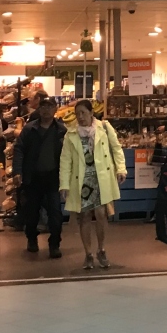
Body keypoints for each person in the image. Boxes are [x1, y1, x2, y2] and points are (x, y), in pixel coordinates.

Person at [60, 99, 126, 269]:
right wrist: (64, 184)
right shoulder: (70, 134)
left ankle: (101, 249)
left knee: (101, 214)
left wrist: (121, 169)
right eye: (77, 114)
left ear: (91, 113)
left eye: (83, 113)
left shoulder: (104, 128)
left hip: (100, 178)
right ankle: (88, 253)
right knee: (85, 216)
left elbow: (116, 148)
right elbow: (65, 161)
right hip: (81, 180)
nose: (80, 117)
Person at [14, 96, 68, 258]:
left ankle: (54, 244)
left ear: (55, 109)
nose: (46, 110)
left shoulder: (61, 130)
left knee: (55, 213)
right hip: (33, 177)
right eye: (43, 107)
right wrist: (18, 172)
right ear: (39, 109)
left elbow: (68, 155)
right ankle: (31, 239)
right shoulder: (29, 129)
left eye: (50, 107)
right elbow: (19, 149)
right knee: (31, 212)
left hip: (53, 178)